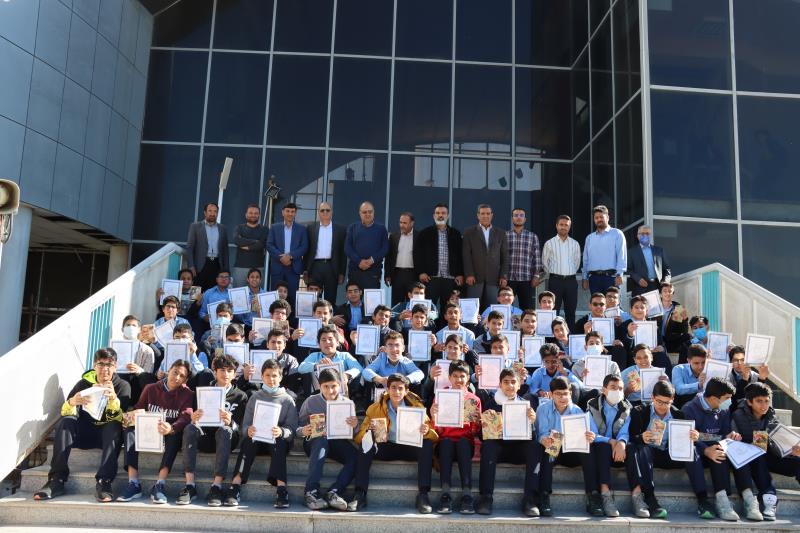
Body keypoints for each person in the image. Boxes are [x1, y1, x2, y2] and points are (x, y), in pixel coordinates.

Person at [34, 348, 131, 502]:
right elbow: (66, 412)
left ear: (115, 366)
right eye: (100, 364)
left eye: (109, 365)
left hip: (106, 437)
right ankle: (56, 480)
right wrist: (72, 402)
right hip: (84, 434)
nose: (105, 369)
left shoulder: (123, 386)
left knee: (114, 425)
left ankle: (104, 481)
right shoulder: (83, 383)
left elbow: (123, 419)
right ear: (94, 366)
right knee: (66, 422)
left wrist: (113, 399)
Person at [350, 373, 437, 512]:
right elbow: (359, 437)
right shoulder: (375, 408)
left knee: (426, 445)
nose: (397, 391)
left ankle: (423, 495)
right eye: (393, 387)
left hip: (409, 447)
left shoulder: (417, 407)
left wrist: (426, 430)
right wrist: (368, 430)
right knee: (366, 442)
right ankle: (360, 494)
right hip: (386, 447)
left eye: (400, 388)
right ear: (387, 389)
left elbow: (433, 435)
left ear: (406, 391)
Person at [117, 359, 194, 503]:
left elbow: (186, 416)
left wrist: (171, 428)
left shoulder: (187, 394)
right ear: (169, 371)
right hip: (149, 431)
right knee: (129, 429)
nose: (177, 377)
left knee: (176, 434)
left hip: (168, 432)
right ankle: (133, 483)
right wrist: (129, 418)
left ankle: (160, 484)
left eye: (182, 376)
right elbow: (139, 408)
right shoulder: (150, 388)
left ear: (186, 380)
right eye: (175, 372)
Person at [227, 359, 298, 508]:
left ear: (280, 377)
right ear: (262, 377)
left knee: (279, 442)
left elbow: (292, 429)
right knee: (248, 441)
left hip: (276, 440)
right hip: (258, 439)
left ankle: (281, 489)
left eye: (275, 375)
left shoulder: (287, 400)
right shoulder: (255, 397)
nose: (271, 379)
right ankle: (235, 485)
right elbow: (244, 425)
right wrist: (248, 430)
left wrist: (282, 431)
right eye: (267, 375)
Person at [179, 355, 248, 506]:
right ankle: (190, 485)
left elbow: (242, 428)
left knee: (225, 430)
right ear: (215, 372)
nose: (226, 374)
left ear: (235, 374)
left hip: (227, 439)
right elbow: (194, 418)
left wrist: (231, 422)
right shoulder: (203, 392)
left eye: (230, 371)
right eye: (222, 370)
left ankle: (216, 486)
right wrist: (194, 418)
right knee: (190, 428)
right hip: (206, 437)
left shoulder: (241, 396)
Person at [475, 369, 540, 516]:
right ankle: (486, 497)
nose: (510, 385)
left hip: (519, 449)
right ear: (500, 385)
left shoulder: (526, 405)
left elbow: (532, 437)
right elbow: (482, 437)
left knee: (535, 447)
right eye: (506, 382)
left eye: (513, 382)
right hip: (499, 449)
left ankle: (530, 500)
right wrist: (485, 425)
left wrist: (532, 422)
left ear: (519, 385)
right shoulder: (491, 403)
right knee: (488, 446)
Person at [627, 380, 696, 519]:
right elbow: (631, 437)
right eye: (659, 402)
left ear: (672, 399)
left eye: (667, 403)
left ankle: (702, 497)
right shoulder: (639, 411)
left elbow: (683, 441)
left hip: (668, 454)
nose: (663, 406)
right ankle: (649, 497)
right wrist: (641, 437)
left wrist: (692, 437)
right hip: (647, 455)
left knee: (695, 452)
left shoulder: (679, 415)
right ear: (652, 397)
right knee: (641, 449)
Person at [731, 382, 800, 521]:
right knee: (759, 454)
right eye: (759, 401)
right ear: (749, 402)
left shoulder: (770, 415)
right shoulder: (738, 415)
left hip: (768, 454)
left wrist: (790, 450)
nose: (764, 405)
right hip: (749, 459)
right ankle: (769, 501)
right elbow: (738, 443)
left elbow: (775, 441)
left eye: (766, 401)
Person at [681, 377, 747, 521]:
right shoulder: (689, 409)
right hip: (697, 450)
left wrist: (731, 436)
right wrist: (706, 449)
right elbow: (689, 437)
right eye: (727, 398)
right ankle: (704, 499)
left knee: (722, 451)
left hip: (714, 448)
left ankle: (723, 498)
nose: (730, 401)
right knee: (694, 452)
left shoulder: (724, 409)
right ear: (713, 398)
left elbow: (723, 434)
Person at [297, 368, 359, 511]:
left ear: (340, 385)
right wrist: (303, 431)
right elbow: (298, 426)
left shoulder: (347, 403)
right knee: (321, 440)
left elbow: (354, 434)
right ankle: (311, 492)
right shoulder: (311, 401)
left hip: (336, 441)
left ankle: (334, 492)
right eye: (326, 386)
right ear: (319, 386)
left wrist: (355, 426)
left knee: (356, 457)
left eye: (334, 386)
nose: (330, 390)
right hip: (314, 442)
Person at [535, 375, 596, 516]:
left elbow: (587, 433)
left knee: (589, 449)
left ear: (570, 393)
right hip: (553, 450)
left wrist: (589, 436)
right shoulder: (542, 409)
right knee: (548, 450)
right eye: (558, 394)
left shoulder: (577, 411)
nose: (562, 397)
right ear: (551, 394)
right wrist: (544, 440)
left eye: (565, 394)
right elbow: (541, 433)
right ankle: (544, 495)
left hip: (572, 451)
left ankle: (593, 495)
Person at [431, 359, 481, 514]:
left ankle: (467, 494)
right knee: (446, 442)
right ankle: (445, 494)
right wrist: (433, 416)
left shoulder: (473, 399)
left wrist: (477, 422)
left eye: (462, 376)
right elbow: (436, 430)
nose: (459, 380)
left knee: (463, 443)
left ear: (468, 378)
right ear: (449, 377)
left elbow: (474, 432)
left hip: (464, 443)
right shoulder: (441, 396)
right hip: (444, 442)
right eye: (455, 376)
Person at [585, 374, 633, 517]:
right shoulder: (592, 405)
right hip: (600, 448)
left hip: (618, 451)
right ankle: (605, 494)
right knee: (603, 446)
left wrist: (621, 443)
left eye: (620, 388)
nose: (617, 391)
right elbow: (592, 434)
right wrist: (610, 441)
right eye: (613, 387)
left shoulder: (627, 407)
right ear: (604, 390)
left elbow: (625, 432)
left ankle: (639, 495)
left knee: (633, 448)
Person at [414, 203, 464, 311]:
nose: (440, 215)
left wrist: (460, 273)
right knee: (428, 309)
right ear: (434, 216)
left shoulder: (455, 234)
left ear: (448, 216)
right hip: (431, 278)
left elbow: (460, 255)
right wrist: (421, 272)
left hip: (450, 279)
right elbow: (418, 255)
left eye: (443, 213)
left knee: (448, 309)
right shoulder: (424, 233)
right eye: (438, 213)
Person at [462, 204, 509, 310]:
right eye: (482, 213)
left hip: (494, 278)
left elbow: (505, 256)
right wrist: (469, 274)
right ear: (478, 215)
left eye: (488, 213)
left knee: (492, 309)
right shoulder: (469, 232)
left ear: (492, 215)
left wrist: (503, 276)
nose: (485, 216)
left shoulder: (500, 233)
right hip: (474, 278)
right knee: (472, 309)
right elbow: (466, 255)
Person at [297, 325, 363, 397]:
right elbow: (301, 368)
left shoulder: (345, 355)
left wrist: (346, 375)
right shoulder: (314, 356)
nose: (327, 342)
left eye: (330, 339)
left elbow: (358, 368)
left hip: (340, 393)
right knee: (309, 374)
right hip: (318, 393)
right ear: (319, 344)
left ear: (337, 342)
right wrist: (316, 365)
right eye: (323, 340)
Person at [541, 215, 581, 329]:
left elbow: (577, 262)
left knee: (571, 311)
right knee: (553, 311)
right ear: (556, 226)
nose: (563, 227)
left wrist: (568, 272)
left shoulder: (575, 244)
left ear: (569, 227)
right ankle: (553, 337)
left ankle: (570, 335)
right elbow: (545, 262)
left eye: (566, 225)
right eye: (561, 225)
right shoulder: (549, 243)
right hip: (555, 281)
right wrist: (554, 274)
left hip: (571, 281)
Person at [266, 202, 309, 307]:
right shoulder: (274, 227)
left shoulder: (302, 229)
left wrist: (290, 256)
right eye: (288, 211)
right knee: (275, 296)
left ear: (295, 213)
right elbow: (269, 244)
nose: (290, 213)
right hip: (278, 266)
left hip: (293, 267)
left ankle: (291, 317)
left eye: (292, 211)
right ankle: (275, 316)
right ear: (283, 212)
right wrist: (281, 257)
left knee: (292, 297)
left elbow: (304, 246)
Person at [304, 202, 347, 304]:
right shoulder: (310, 228)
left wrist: (342, 273)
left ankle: (329, 315)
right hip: (315, 267)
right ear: (318, 212)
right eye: (322, 210)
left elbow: (343, 253)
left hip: (332, 267)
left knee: (330, 299)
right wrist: (305, 270)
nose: (325, 212)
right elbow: (307, 250)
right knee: (313, 298)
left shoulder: (340, 230)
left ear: (331, 212)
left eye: (328, 210)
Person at [362, 331, 425, 397]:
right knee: (369, 383)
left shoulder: (406, 361)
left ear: (403, 348)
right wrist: (381, 379)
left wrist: (405, 379)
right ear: (385, 349)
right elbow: (366, 371)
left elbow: (419, 373)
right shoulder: (381, 358)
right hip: (384, 394)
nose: (394, 349)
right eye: (390, 345)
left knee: (417, 385)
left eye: (397, 345)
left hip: (401, 395)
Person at [582, 205, 626, 295]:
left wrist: (620, 274)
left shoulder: (617, 234)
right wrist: (584, 277)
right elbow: (586, 260)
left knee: (612, 304)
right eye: (596, 218)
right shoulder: (589, 238)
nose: (599, 219)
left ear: (608, 217)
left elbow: (621, 255)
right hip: (594, 279)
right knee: (596, 304)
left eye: (601, 217)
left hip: (611, 278)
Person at [344, 201, 389, 290]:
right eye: (364, 212)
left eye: (370, 212)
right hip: (355, 270)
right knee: (354, 297)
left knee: (371, 298)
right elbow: (347, 248)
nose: (367, 214)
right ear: (360, 213)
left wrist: (372, 260)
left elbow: (385, 248)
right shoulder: (352, 227)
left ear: (373, 212)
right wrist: (359, 261)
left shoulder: (381, 229)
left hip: (373, 271)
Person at [186, 202, 229, 291]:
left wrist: (226, 270)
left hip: (217, 265)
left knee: (214, 292)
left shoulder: (222, 228)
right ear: (205, 212)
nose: (212, 213)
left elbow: (225, 251)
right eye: (210, 211)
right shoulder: (195, 227)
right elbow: (190, 248)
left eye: (215, 211)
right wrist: (191, 266)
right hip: (200, 266)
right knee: (197, 293)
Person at [506, 207, 543, 311]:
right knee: (505, 307)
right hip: (509, 279)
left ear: (525, 219)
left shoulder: (532, 236)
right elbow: (501, 258)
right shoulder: (505, 235)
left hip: (526, 279)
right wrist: (502, 277)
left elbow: (537, 258)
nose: (518, 217)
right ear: (512, 218)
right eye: (516, 215)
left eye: (521, 215)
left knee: (527, 309)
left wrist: (536, 276)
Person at [116, 315, 156, 404]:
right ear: (122, 329)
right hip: (119, 380)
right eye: (128, 325)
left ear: (139, 329)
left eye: (134, 325)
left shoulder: (147, 350)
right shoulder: (115, 347)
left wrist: (139, 370)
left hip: (136, 384)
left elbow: (148, 375)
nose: (131, 327)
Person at [627, 225, 671, 297]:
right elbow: (628, 269)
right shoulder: (631, 252)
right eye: (642, 234)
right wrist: (638, 279)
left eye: (647, 233)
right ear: (637, 236)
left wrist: (665, 281)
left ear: (650, 235)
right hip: (640, 288)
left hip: (658, 287)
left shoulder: (659, 250)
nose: (645, 236)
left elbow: (667, 269)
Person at [385, 212, 418, 306]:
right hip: (397, 275)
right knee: (396, 303)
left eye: (405, 223)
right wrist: (387, 274)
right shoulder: (393, 236)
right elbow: (389, 256)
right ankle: (396, 316)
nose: (402, 225)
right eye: (400, 222)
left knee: (412, 303)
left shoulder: (419, 236)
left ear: (412, 223)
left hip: (413, 275)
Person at [232, 204, 269, 287]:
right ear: (246, 214)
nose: (253, 215)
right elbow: (237, 241)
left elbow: (261, 244)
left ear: (259, 215)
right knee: (239, 293)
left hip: (258, 267)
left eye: (256, 213)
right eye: (251, 213)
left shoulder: (264, 229)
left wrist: (247, 246)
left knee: (256, 294)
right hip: (240, 267)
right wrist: (255, 241)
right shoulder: (239, 228)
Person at [657, 282, 690, 353]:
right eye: (665, 291)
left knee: (687, 337)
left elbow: (683, 331)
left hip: (670, 341)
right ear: (660, 294)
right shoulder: (655, 308)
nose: (667, 293)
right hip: (657, 340)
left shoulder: (678, 308)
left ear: (673, 293)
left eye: (670, 291)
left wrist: (685, 320)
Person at [672, 344, 708, 408]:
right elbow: (679, 389)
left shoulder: (710, 369)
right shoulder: (678, 369)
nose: (700, 366)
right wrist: (698, 385)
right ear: (688, 361)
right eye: (696, 363)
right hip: (684, 405)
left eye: (703, 362)